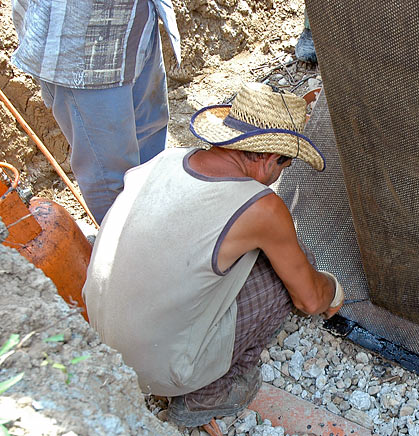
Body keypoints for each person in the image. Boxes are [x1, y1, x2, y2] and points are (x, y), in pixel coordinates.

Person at [82, 82, 344, 434]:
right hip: (157, 369)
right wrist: (332, 289)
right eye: (286, 163)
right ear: (269, 158)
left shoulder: (165, 160)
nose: (282, 173)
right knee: (292, 271)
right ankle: (207, 393)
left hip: (100, 339)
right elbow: (309, 299)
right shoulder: (262, 208)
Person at [11, 0, 181, 224]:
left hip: (135, 28)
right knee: (111, 182)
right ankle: (128, 251)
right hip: (83, 46)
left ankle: (155, 229)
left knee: (150, 143)